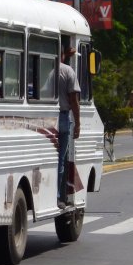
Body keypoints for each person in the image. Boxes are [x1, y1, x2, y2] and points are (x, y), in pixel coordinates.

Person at [57, 45, 81, 209]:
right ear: (63, 55)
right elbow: (74, 100)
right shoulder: (67, 71)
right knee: (60, 159)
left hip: (44, 117)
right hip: (63, 117)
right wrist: (78, 123)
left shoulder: (42, 68)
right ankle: (59, 196)